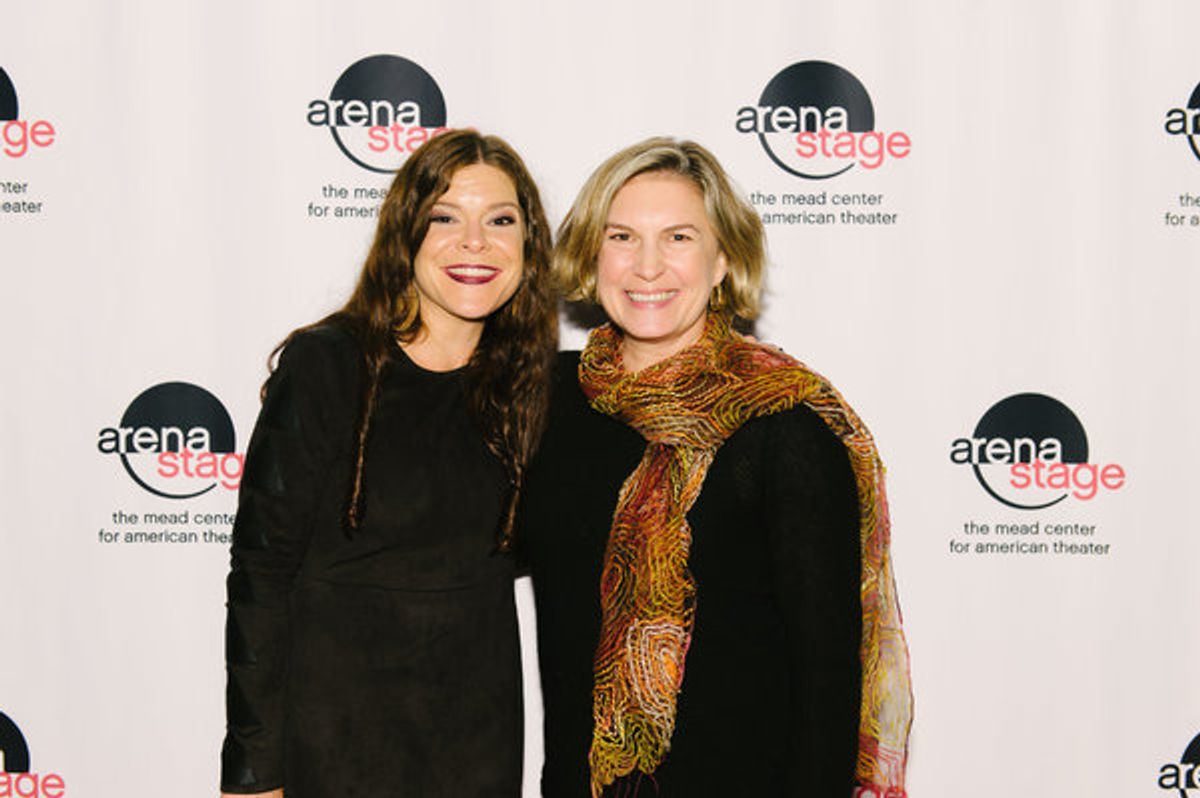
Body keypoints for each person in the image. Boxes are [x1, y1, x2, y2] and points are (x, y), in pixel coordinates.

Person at [518, 137, 912, 797]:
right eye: (622, 237)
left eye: (678, 237)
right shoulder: (552, 401)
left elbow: (828, 683)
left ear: (724, 258)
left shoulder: (785, 427)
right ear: (592, 253)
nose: (647, 266)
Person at [219, 129, 557, 798]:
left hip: (478, 737)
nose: (474, 243)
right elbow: (261, 574)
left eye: (500, 221)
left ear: (529, 245)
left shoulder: (536, 388)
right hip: (334, 735)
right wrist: (253, 770)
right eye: (444, 218)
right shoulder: (329, 364)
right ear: (406, 235)